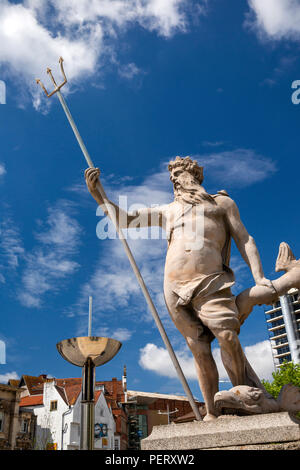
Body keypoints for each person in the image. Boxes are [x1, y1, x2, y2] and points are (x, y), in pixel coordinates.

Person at [85, 156, 275, 421]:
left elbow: (245, 239)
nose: (174, 178)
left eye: (179, 172)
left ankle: (247, 402)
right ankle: (210, 413)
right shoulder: (168, 210)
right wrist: (99, 195)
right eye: (171, 175)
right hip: (173, 288)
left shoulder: (221, 203)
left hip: (211, 281)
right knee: (199, 351)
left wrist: (259, 277)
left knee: (227, 337)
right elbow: (126, 219)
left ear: (195, 175)